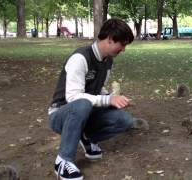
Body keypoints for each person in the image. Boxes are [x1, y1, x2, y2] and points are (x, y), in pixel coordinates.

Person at [48, 18, 148, 180]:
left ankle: (86, 137)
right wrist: (108, 100)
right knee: (81, 104)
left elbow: (97, 90)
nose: (123, 49)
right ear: (109, 39)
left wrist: (112, 98)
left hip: (85, 113)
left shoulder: (107, 61)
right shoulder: (80, 58)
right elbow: (73, 97)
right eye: (122, 44)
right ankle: (63, 161)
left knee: (124, 120)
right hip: (61, 114)